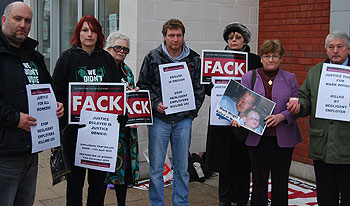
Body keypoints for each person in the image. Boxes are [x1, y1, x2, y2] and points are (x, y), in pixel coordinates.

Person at [52, 15, 124, 206]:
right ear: (78, 33)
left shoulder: (107, 59)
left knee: (98, 183)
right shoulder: (67, 57)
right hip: (75, 132)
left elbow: (116, 91)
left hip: (100, 133)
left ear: (99, 33)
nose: (89, 34)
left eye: (92, 30)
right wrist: (59, 105)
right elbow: (56, 90)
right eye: (85, 30)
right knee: (75, 183)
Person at [0, 2, 64, 206]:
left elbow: (49, 88)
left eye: (27, 20)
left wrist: (57, 104)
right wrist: (15, 117)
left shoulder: (34, 56)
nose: (23, 25)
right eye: (17, 19)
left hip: (32, 150)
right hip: (4, 153)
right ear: (4, 20)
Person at [137, 18, 205, 206]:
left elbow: (199, 89)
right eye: (171, 35)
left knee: (182, 168)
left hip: (184, 121)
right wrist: (155, 103)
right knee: (157, 168)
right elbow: (142, 86)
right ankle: (156, 203)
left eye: (179, 35)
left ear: (183, 36)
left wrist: (191, 113)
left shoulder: (194, 58)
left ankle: (181, 203)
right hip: (159, 119)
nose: (175, 39)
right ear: (164, 37)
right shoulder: (152, 57)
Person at [231, 39, 302, 206]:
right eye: (267, 56)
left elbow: (296, 106)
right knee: (258, 179)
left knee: (281, 179)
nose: (271, 59)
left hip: (283, 137)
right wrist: (237, 118)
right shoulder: (249, 77)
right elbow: (241, 105)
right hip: (257, 137)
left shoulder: (290, 78)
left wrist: (283, 116)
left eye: (275, 56)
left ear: (280, 58)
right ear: (261, 58)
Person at [287, 30, 350, 205]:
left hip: (347, 149)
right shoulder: (316, 72)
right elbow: (305, 97)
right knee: (325, 195)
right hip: (322, 147)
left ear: (348, 49)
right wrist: (299, 106)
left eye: (339, 47)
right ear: (326, 50)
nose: (335, 51)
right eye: (331, 47)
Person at [205, 22, 262, 206]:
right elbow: (206, 87)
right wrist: (216, 88)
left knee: (243, 163)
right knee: (224, 164)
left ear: (245, 39)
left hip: (245, 120)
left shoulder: (254, 60)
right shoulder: (215, 60)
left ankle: (242, 199)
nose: (234, 40)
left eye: (238, 37)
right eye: (230, 37)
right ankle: (224, 200)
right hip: (222, 119)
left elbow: (258, 89)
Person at [104, 31, 139, 206]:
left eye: (125, 49)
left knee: (123, 172)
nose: (121, 51)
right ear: (108, 48)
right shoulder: (100, 69)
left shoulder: (127, 71)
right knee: (101, 175)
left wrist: (136, 95)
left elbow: (131, 97)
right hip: (104, 130)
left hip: (124, 132)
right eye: (118, 47)